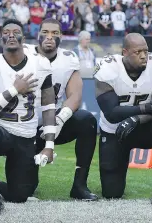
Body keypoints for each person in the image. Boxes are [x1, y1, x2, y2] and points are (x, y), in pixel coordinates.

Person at [0, 19, 56, 215]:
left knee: (21, 195)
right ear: (1, 38)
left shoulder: (40, 64)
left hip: (27, 137)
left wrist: (49, 145)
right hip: (2, 132)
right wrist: (14, 90)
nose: (11, 35)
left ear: (23, 38)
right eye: (6, 32)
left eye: (15, 32)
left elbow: (49, 106)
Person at [95, 33, 152, 208]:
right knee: (112, 193)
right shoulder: (108, 68)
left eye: (146, 51)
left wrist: (136, 118)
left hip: (144, 127)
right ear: (125, 52)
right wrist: (146, 108)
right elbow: (112, 113)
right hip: (115, 130)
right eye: (137, 52)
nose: (143, 56)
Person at [25, 18, 99, 200]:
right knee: (25, 188)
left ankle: (80, 185)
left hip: (53, 122)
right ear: (38, 34)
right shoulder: (24, 53)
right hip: (25, 126)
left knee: (86, 120)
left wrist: (59, 120)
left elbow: (75, 95)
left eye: (55, 33)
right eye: (45, 32)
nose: (49, 37)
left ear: (61, 37)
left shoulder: (68, 58)